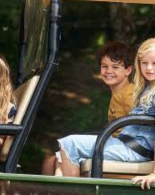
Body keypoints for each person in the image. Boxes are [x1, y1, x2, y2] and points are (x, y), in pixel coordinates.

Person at [56, 37, 155, 190]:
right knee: (68, 147)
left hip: (135, 150)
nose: (149, 68)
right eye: (144, 63)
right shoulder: (151, 87)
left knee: (70, 144)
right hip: (125, 143)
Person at [41, 41, 135, 175]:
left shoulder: (130, 96)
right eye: (104, 66)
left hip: (125, 149)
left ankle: (74, 194)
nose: (108, 71)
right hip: (111, 144)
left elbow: (137, 133)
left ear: (128, 70)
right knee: (50, 162)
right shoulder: (118, 94)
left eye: (115, 67)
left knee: (68, 147)